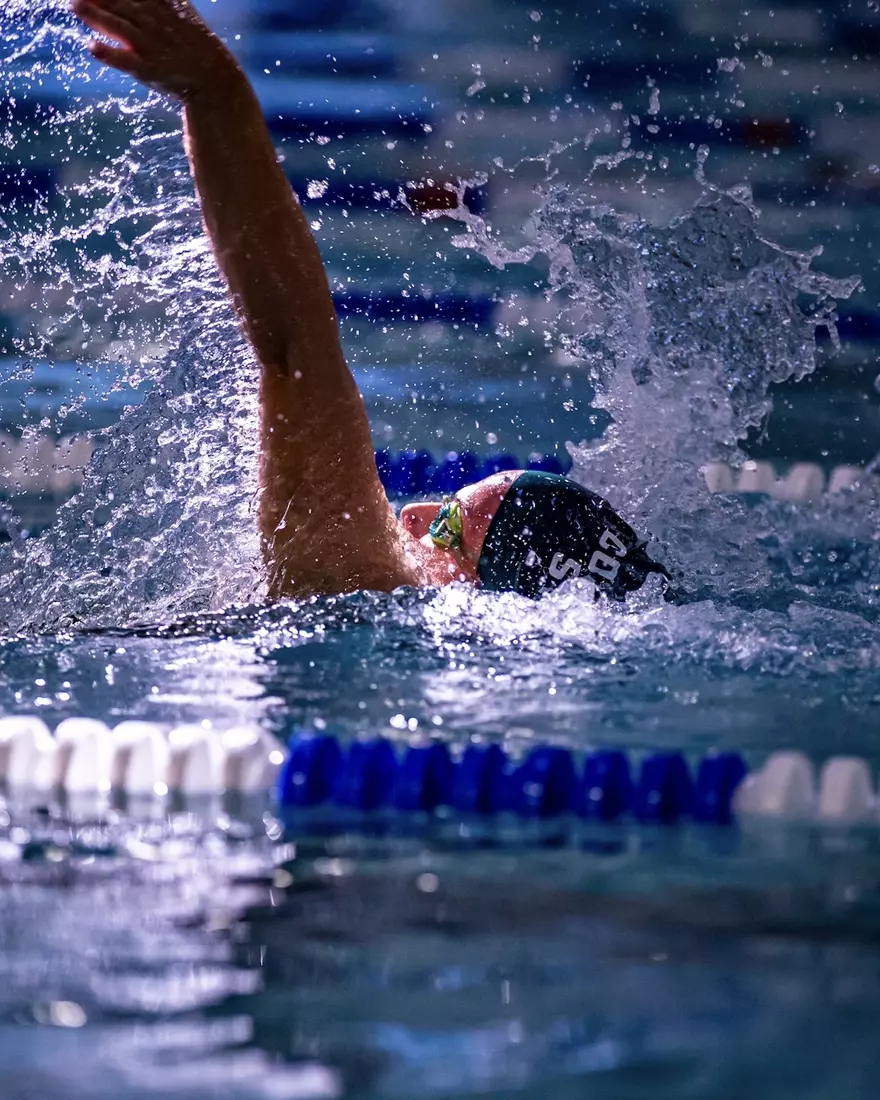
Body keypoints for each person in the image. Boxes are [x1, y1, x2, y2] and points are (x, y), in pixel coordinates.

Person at [70, 0, 670, 602]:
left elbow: (294, 344)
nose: (412, 515)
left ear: (493, 585)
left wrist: (214, 93)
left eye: (449, 528)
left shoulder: (371, 577)